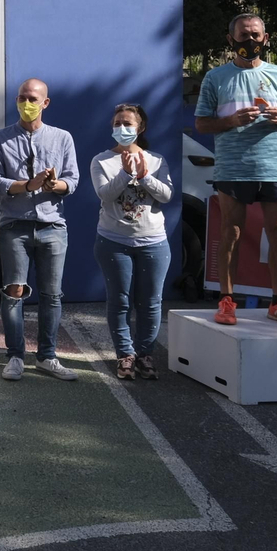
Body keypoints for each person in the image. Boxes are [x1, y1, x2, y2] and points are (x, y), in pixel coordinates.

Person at [195, 14, 277, 328]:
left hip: (275, 165)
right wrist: (230, 122)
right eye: (243, 37)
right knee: (230, 232)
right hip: (233, 166)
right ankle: (227, 300)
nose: (250, 42)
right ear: (230, 40)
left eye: (256, 36)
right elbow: (201, 124)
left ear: (266, 38)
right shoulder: (215, 78)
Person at [0, 78, 80, 381]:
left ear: (45, 103)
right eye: (22, 98)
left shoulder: (62, 137)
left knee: (52, 295)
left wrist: (55, 184)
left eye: (33, 99)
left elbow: (73, 180)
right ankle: (14, 355)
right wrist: (28, 185)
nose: (27, 104)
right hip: (14, 225)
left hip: (53, 225)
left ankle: (47, 356)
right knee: (14, 292)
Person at [91, 103, 173, 380]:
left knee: (150, 302)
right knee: (120, 301)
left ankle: (145, 354)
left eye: (127, 124)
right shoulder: (101, 160)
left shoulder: (157, 160)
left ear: (140, 128)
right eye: (117, 124)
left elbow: (166, 195)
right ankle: (125, 355)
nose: (121, 129)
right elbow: (105, 194)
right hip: (114, 242)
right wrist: (126, 174)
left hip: (153, 242)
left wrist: (144, 176)